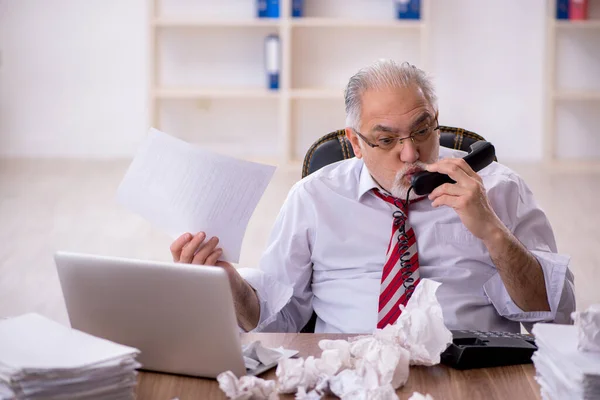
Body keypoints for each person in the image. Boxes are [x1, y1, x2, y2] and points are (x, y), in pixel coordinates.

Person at [170, 60, 575, 334]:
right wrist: (227, 282)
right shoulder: (314, 198)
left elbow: (552, 315)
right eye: (386, 140)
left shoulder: (501, 189)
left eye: (422, 130)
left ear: (437, 120)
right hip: (349, 374)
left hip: (467, 371)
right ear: (356, 143)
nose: (411, 153)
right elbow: (278, 322)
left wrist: (494, 233)